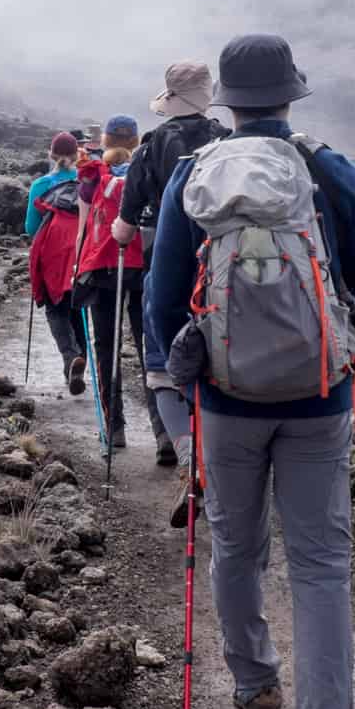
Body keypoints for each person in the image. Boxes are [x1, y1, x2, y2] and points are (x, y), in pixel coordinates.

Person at [146, 34, 355, 709]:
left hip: (226, 399)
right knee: (320, 562)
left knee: (235, 545)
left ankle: (255, 683)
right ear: (290, 94)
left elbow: (162, 298)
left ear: (228, 103)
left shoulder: (193, 173)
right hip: (320, 394)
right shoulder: (328, 169)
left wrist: (179, 374)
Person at [114, 59, 228, 468]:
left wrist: (117, 230)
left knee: (162, 360)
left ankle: (185, 451)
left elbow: (125, 229)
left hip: (168, 266)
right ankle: (216, 447)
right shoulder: (228, 141)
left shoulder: (150, 148)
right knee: (221, 357)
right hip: (223, 270)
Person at [71, 115, 145, 451]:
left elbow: (84, 227)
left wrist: (77, 264)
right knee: (150, 347)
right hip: (143, 264)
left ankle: (114, 427)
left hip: (102, 266)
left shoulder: (91, 177)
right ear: (134, 141)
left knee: (106, 346)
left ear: (105, 139)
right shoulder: (146, 170)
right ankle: (165, 434)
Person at [25, 132, 89, 394]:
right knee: (78, 306)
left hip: (53, 250)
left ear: (51, 155)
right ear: (76, 155)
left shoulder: (41, 185)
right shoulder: (86, 181)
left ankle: (70, 358)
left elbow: (31, 227)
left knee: (55, 306)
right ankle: (79, 363)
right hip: (83, 248)